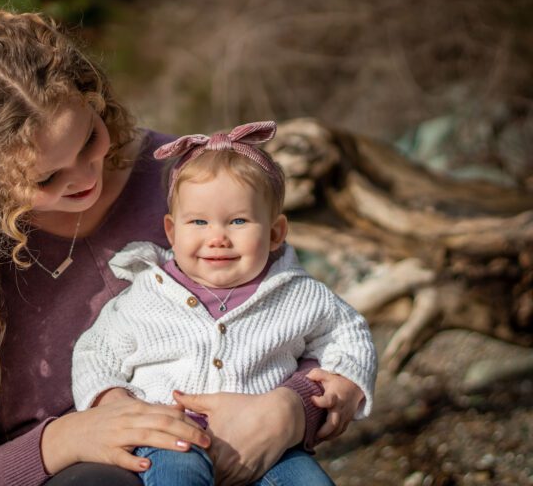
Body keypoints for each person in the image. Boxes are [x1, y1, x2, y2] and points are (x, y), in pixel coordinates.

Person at [0, 9, 367, 486]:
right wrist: (62, 440)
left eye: (89, 140)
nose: (86, 178)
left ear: (95, 98)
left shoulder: (187, 176)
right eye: (46, 178)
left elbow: (289, 312)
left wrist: (290, 408)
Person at [71, 121, 377, 485]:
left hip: (269, 446)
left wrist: (346, 382)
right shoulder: (146, 293)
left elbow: (350, 333)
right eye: (199, 221)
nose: (217, 238)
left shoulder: (296, 294)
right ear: (172, 230)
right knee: (178, 477)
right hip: (170, 439)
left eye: (238, 221)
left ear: (276, 232)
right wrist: (112, 399)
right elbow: (95, 351)